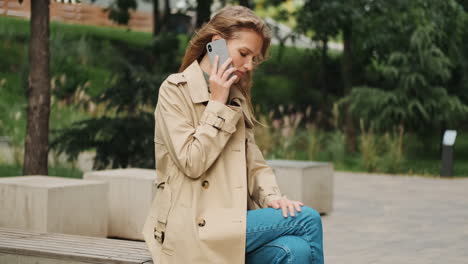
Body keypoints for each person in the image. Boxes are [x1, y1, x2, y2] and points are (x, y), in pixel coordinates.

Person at [142, 5, 324, 264]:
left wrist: (273, 198)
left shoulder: (236, 98)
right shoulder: (175, 90)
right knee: (308, 219)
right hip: (191, 226)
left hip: (229, 220)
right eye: (244, 53)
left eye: (254, 59)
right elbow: (192, 162)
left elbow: (255, 166)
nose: (249, 65)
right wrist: (216, 103)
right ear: (217, 43)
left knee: (296, 250)